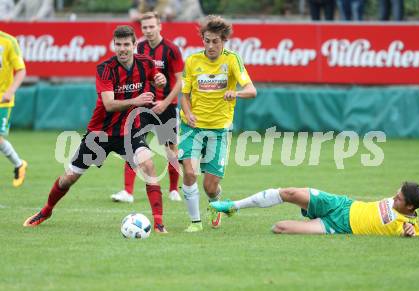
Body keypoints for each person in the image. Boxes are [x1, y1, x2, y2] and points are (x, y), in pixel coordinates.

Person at [23, 25, 169, 233]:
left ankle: (159, 224)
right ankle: (46, 210)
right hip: (100, 134)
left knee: (149, 166)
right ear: (113, 45)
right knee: (69, 178)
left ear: (135, 45)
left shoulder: (145, 63)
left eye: (127, 44)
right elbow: (109, 104)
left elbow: (158, 81)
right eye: (118, 44)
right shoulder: (105, 69)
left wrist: (161, 81)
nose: (122, 49)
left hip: (129, 132)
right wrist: (136, 100)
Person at [179, 15, 257, 232]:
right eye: (207, 40)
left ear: (224, 41)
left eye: (216, 41)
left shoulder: (232, 60)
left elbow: (252, 90)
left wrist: (236, 93)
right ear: (202, 39)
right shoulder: (192, 61)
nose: (211, 45)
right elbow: (184, 95)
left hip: (219, 129)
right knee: (190, 173)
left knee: (209, 185)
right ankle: (195, 223)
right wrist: (188, 113)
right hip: (191, 127)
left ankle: (216, 203)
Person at [111, 12, 184, 203]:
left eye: (152, 26)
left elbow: (180, 81)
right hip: (143, 105)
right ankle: (128, 192)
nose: (149, 30)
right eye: (145, 27)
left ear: (160, 26)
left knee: (170, 148)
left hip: (166, 106)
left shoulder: (171, 50)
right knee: (132, 145)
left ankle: (174, 189)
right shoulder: (139, 47)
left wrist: (166, 102)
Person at [210, 181, 419, 237]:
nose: (394, 198)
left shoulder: (408, 225)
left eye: (398, 199)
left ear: (410, 206)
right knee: (289, 193)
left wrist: (410, 234)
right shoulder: (401, 201)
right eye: (396, 194)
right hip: (342, 204)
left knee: (279, 228)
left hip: (337, 226)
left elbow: (413, 232)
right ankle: (232, 206)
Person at [0, 30, 28, 187]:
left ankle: (19, 165)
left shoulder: (8, 41)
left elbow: (21, 70)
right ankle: (19, 164)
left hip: (2, 100)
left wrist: (10, 91)